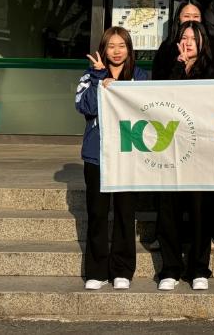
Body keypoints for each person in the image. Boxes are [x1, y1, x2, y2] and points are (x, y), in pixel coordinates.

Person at [75, 26, 148, 291]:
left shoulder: (141, 77)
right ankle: (96, 271)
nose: (116, 51)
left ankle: (122, 270)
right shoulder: (90, 75)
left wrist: (120, 89)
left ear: (129, 49)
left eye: (122, 45)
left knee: (125, 214)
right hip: (97, 156)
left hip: (128, 154)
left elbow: (148, 111)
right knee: (97, 214)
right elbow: (84, 107)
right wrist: (99, 80)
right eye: (111, 46)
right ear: (103, 49)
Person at [155, 21, 214, 292]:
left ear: (203, 42)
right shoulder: (168, 67)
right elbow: (165, 98)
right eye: (184, 37)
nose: (188, 42)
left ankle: (199, 268)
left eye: (194, 38)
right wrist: (179, 66)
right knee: (167, 210)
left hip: (201, 152)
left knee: (200, 211)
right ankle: (170, 268)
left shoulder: (212, 71)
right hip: (170, 148)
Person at [152, 0, 205, 80]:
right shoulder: (166, 48)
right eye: (186, 16)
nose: (191, 20)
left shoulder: (209, 49)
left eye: (196, 16)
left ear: (201, 19)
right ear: (178, 19)